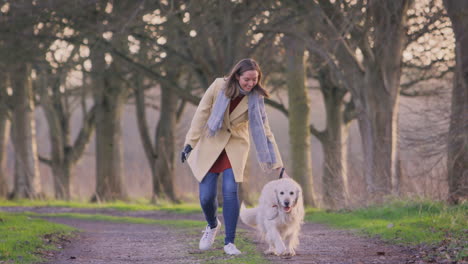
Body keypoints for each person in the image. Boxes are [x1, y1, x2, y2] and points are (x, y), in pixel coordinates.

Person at [181, 58, 286, 255]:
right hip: (211, 142)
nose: (250, 83)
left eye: (255, 79)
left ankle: (229, 242)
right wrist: (189, 143)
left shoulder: (256, 97)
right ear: (237, 76)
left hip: (235, 145)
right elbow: (201, 114)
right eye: (247, 79)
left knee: (230, 191)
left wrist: (278, 163)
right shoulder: (218, 86)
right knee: (206, 197)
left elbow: (265, 130)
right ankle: (212, 226)